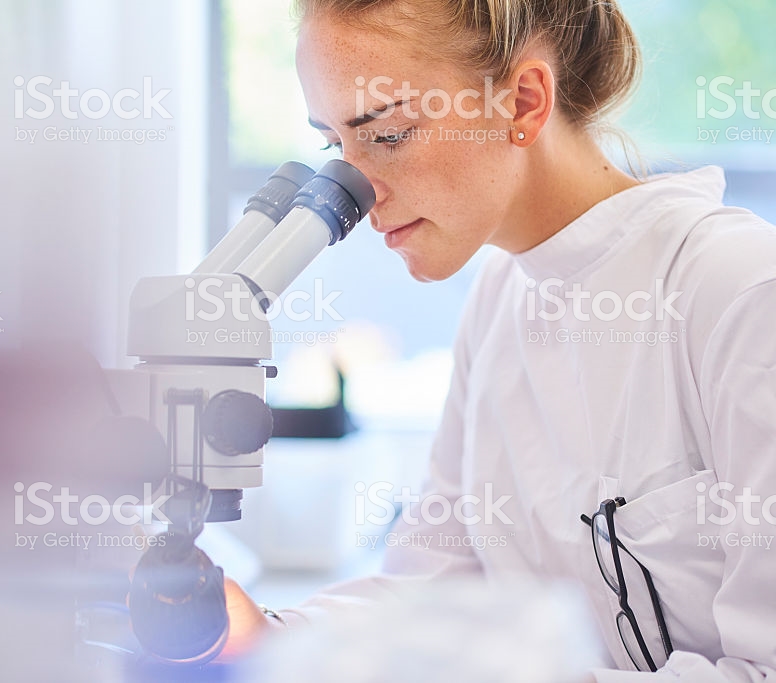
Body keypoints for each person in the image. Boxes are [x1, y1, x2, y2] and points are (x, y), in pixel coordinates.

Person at [220, 0, 776, 679]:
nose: (359, 195)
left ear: (524, 101)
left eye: (388, 133)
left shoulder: (739, 291)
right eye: (337, 146)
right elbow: (434, 591)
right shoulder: (499, 300)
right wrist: (266, 636)